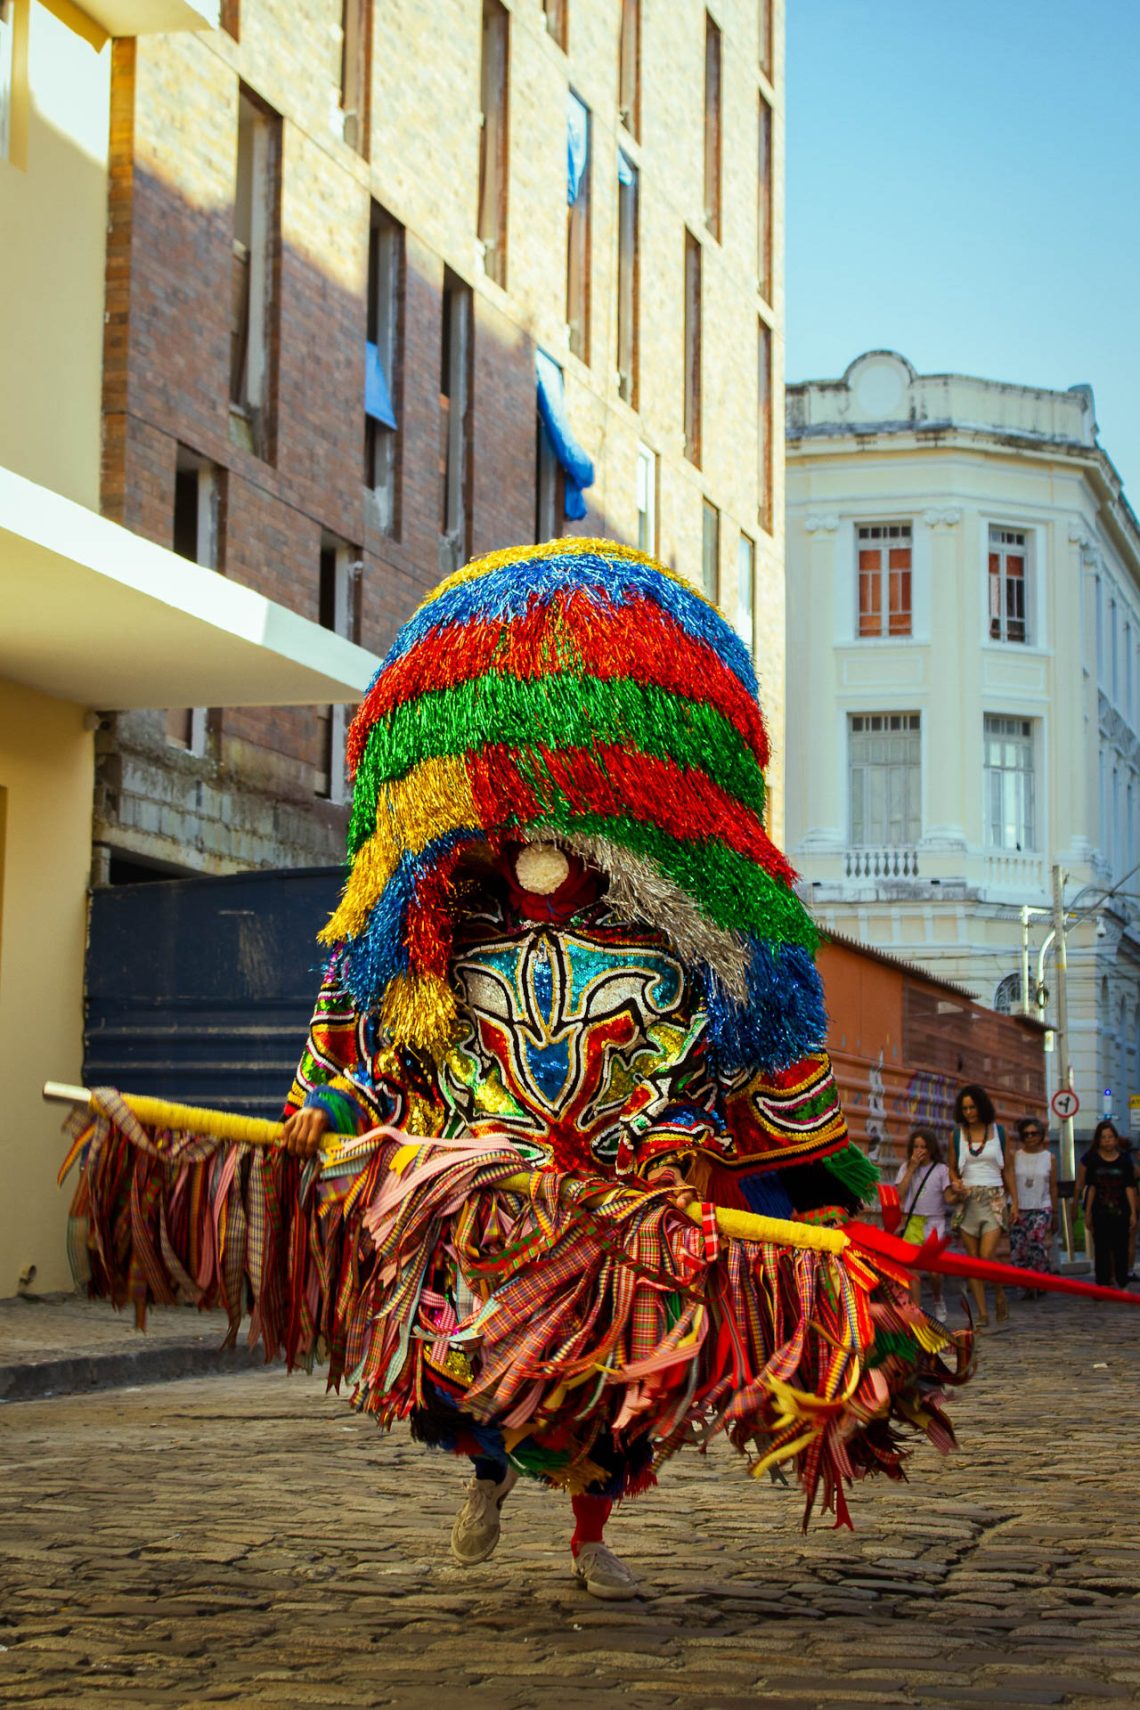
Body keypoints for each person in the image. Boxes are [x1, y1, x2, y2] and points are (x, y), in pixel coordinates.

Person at [276, 538, 962, 1599]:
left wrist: (702, 1165)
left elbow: (726, 1052)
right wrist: (324, 1098)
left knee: (611, 1377)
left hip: (623, 1190)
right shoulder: (439, 919)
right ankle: (489, 1477)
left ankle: (590, 1537)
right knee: (477, 1347)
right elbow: (368, 1011)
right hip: (488, 1184)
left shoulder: (677, 929)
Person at [946, 1084, 1018, 1329]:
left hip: (995, 1198)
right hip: (968, 1200)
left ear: (981, 1106)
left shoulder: (999, 1131)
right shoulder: (956, 1135)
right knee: (973, 1260)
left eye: (973, 1107)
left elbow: (1007, 1167)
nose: (969, 1112)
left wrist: (1015, 1201)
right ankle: (983, 1313)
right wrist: (955, 1183)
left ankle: (999, 1292)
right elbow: (952, 1168)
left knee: (986, 1257)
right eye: (964, 1108)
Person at [894, 1128, 952, 1317]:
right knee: (912, 1270)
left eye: (924, 1147)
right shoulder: (905, 1168)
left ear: (931, 1149)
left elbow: (949, 1198)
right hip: (914, 1222)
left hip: (935, 1222)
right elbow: (899, 1195)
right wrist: (911, 1168)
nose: (920, 1150)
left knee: (934, 1271)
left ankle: (937, 1298)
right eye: (916, 1146)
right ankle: (917, 1309)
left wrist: (959, 1192)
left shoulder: (941, 1170)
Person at [1084, 1119, 1138, 1290]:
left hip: (1121, 1210)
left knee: (1121, 1247)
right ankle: (1102, 1283)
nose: (1107, 1140)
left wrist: (1133, 1213)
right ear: (1098, 1140)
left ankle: (1122, 1281)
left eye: (1110, 1137)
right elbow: (1091, 1187)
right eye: (1103, 1137)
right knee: (1101, 1248)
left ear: (1115, 1139)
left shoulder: (1124, 1160)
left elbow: (1130, 1187)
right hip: (1100, 1210)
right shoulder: (1093, 1160)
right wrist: (1087, 1212)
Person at [1009, 1117, 1056, 1295]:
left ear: (1041, 1135)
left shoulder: (1049, 1157)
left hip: (1041, 1206)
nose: (1030, 1137)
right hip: (1019, 1207)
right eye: (1026, 1134)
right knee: (1019, 1248)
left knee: (1035, 1242)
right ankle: (1026, 1285)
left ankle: (1042, 1279)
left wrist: (1056, 1212)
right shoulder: (1015, 1156)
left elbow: (1053, 1186)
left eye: (1034, 1133)